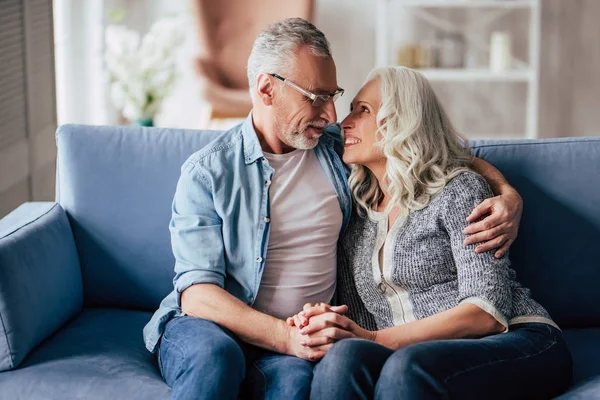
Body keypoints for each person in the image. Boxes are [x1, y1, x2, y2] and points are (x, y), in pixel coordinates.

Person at [143, 19, 524, 400]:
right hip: (214, 327)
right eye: (315, 96)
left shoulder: (336, 150)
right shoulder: (208, 172)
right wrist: (284, 337)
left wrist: (507, 193)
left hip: (301, 338)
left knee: (295, 386)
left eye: (333, 95)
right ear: (266, 88)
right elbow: (196, 292)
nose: (331, 115)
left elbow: (427, 147)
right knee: (216, 358)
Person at [287, 66, 573, 400]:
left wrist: (376, 341)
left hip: (518, 339)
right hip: (413, 356)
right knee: (342, 359)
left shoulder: (458, 191)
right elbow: (360, 321)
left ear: (401, 120)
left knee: (407, 366)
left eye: (363, 110)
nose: (343, 122)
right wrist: (325, 324)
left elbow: (487, 312)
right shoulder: (356, 216)